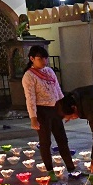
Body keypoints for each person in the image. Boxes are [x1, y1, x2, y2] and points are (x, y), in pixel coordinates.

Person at [23, 45, 76, 175]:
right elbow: (30, 98)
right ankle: (50, 171)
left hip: (55, 110)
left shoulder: (49, 71)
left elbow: (58, 91)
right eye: (40, 58)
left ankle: (71, 168)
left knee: (62, 139)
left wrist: (64, 109)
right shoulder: (29, 76)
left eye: (45, 58)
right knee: (45, 142)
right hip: (42, 112)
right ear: (32, 58)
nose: (44, 61)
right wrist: (33, 118)